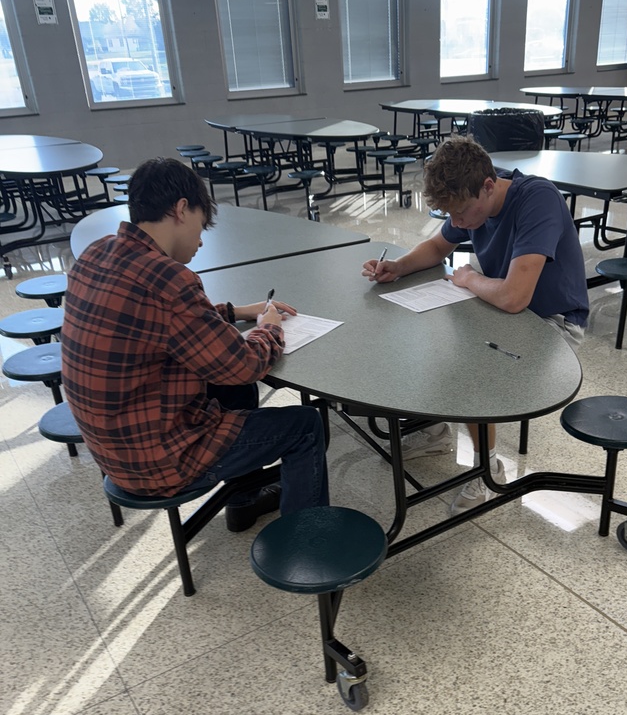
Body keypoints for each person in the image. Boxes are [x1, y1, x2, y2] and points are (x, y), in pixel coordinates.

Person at [61, 156, 329, 533]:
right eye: (201, 226)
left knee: (231, 389)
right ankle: (308, 543)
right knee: (304, 425)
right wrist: (268, 326)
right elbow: (246, 364)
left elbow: (167, 324)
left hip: (111, 449)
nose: (201, 240)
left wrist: (238, 310)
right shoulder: (170, 279)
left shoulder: (96, 254)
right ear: (181, 209)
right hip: (156, 461)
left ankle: (243, 504)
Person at [362, 133, 589, 514]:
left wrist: (469, 279)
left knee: (469, 369)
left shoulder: (537, 200)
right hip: (504, 308)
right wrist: (397, 268)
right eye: (450, 215)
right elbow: (437, 247)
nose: (458, 222)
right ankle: (435, 432)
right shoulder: (474, 195)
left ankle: (487, 470)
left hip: (553, 323)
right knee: (428, 335)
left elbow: (516, 298)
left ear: (488, 187)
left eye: (461, 213)